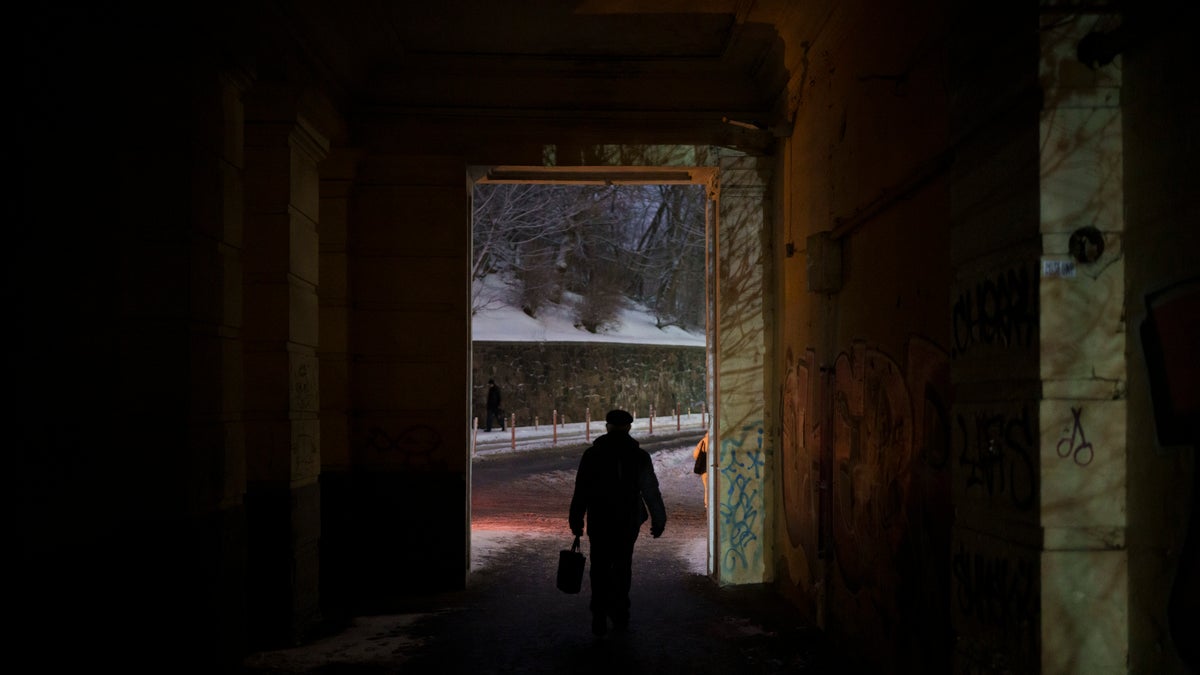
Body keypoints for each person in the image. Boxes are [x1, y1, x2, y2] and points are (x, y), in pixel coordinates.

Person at [568, 409, 667, 636]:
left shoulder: (592, 455)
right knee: (623, 567)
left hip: (600, 520)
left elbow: (581, 490)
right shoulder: (639, 456)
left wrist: (576, 519)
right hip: (627, 521)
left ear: (607, 427)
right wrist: (659, 519)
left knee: (600, 568)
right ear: (629, 428)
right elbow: (651, 490)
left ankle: (599, 614)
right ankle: (621, 612)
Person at [693, 431, 709, 508]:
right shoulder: (721, 441)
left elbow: (695, 454)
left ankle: (708, 504)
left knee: (707, 487)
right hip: (719, 469)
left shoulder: (704, 440)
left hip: (705, 470)